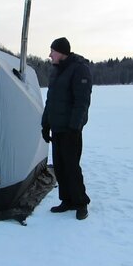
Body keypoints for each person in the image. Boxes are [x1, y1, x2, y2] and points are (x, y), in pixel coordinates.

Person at [41, 37, 92, 220]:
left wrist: (74, 128)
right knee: (60, 167)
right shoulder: (56, 71)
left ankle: (81, 203)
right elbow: (51, 100)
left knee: (71, 167)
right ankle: (67, 200)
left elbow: (82, 102)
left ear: (61, 52)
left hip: (71, 129)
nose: (49, 55)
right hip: (57, 127)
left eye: (52, 51)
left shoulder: (79, 69)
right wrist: (45, 124)